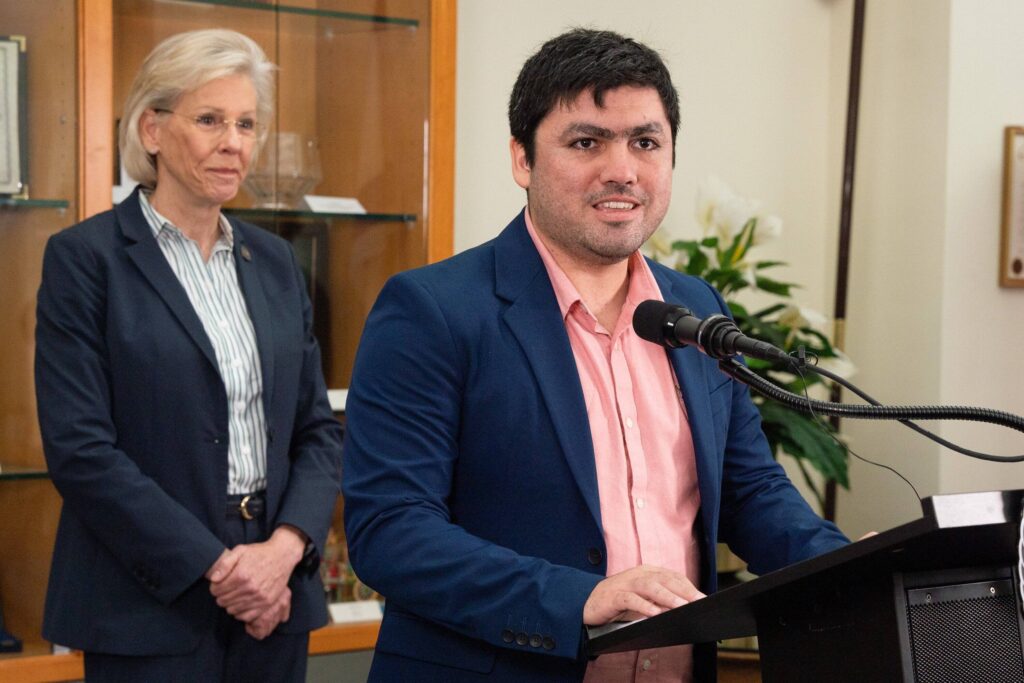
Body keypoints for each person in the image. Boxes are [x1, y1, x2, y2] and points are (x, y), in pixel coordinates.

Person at [342, 28, 849, 683]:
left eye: (645, 142)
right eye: (587, 142)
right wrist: (576, 598)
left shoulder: (693, 307)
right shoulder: (431, 310)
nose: (622, 170)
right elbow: (391, 530)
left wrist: (848, 571)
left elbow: (751, 492)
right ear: (522, 159)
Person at [34, 29, 342, 682]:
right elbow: (80, 448)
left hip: (275, 598)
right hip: (148, 604)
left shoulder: (278, 263)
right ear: (152, 129)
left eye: (246, 123)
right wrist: (222, 566)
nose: (234, 142)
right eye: (210, 120)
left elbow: (317, 430)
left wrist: (281, 551)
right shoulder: (84, 260)